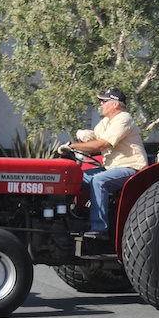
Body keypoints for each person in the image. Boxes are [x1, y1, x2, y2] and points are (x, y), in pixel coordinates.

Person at [60, 87, 147, 238]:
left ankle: (99, 229)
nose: (101, 104)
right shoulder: (106, 122)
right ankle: (65, 219)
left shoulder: (124, 119)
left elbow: (101, 145)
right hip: (110, 167)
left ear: (115, 104)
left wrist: (71, 146)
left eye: (104, 101)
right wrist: (84, 135)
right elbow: (95, 138)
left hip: (130, 168)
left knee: (99, 180)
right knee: (75, 178)